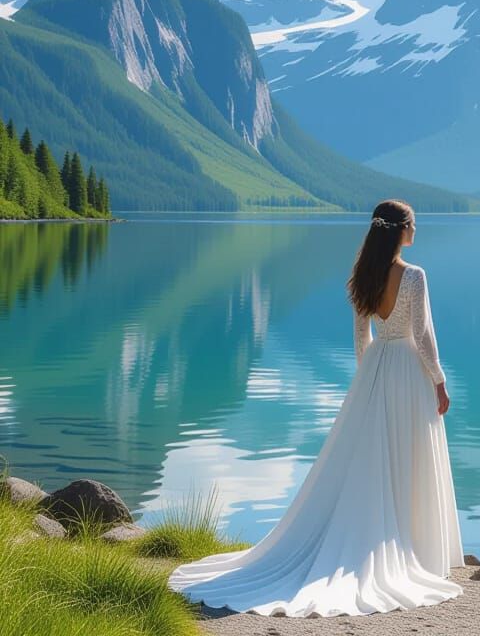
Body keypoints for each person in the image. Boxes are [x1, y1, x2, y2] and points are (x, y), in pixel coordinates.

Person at [168, 200, 464, 617]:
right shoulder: (414, 276)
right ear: (400, 230)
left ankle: (384, 539)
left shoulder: (365, 275)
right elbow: (422, 334)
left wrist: (367, 381)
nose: (417, 230)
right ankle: (411, 548)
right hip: (407, 372)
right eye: (414, 224)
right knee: (408, 457)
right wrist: (439, 379)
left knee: (372, 460)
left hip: (377, 367)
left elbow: (361, 337)